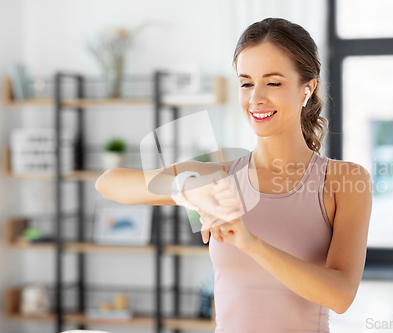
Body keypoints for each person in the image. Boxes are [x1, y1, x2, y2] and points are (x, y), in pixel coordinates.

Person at [96, 17, 372, 333]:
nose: (255, 98)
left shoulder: (344, 181)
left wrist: (251, 243)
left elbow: (340, 294)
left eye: (274, 82)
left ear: (307, 88)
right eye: (246, 82)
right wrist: (187, 190)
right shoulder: (219, 173)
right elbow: (108, 183)